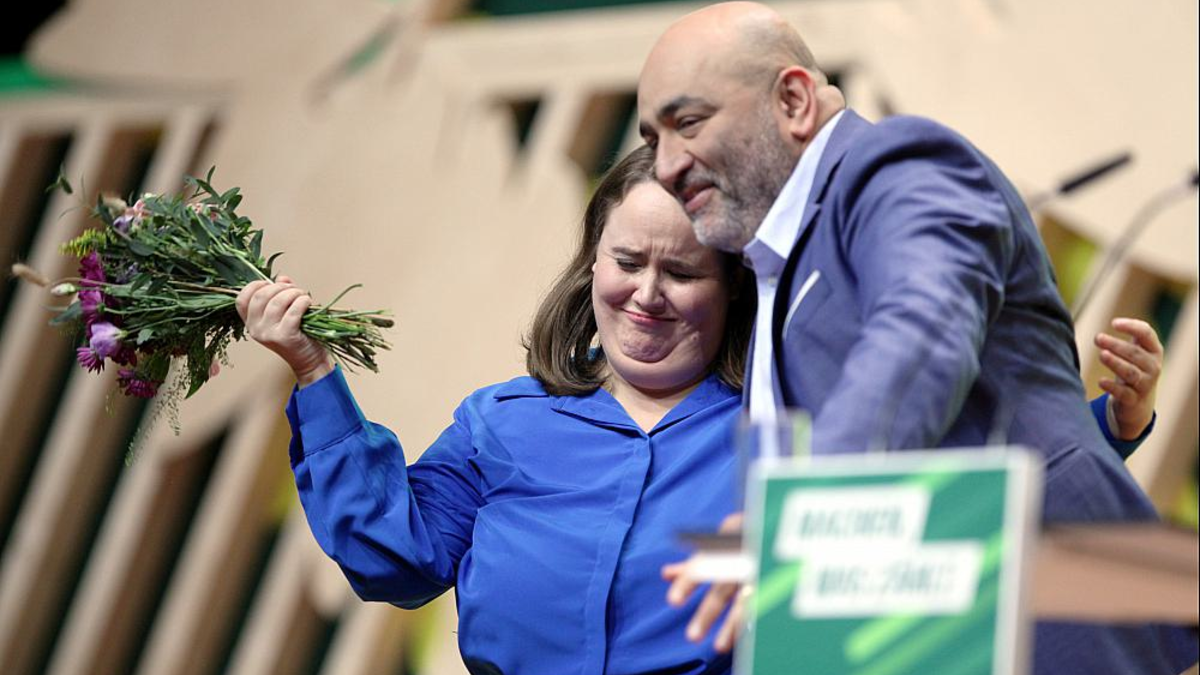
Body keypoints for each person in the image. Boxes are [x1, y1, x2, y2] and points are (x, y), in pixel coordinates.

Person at [636, 3, 1196, 674]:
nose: (666, 166)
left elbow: (923, 325)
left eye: (688, 122)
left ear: (792, 99)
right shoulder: (775, 271)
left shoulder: (900, 167)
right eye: (651, 141)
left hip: (1043, 617)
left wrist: (801, 519)